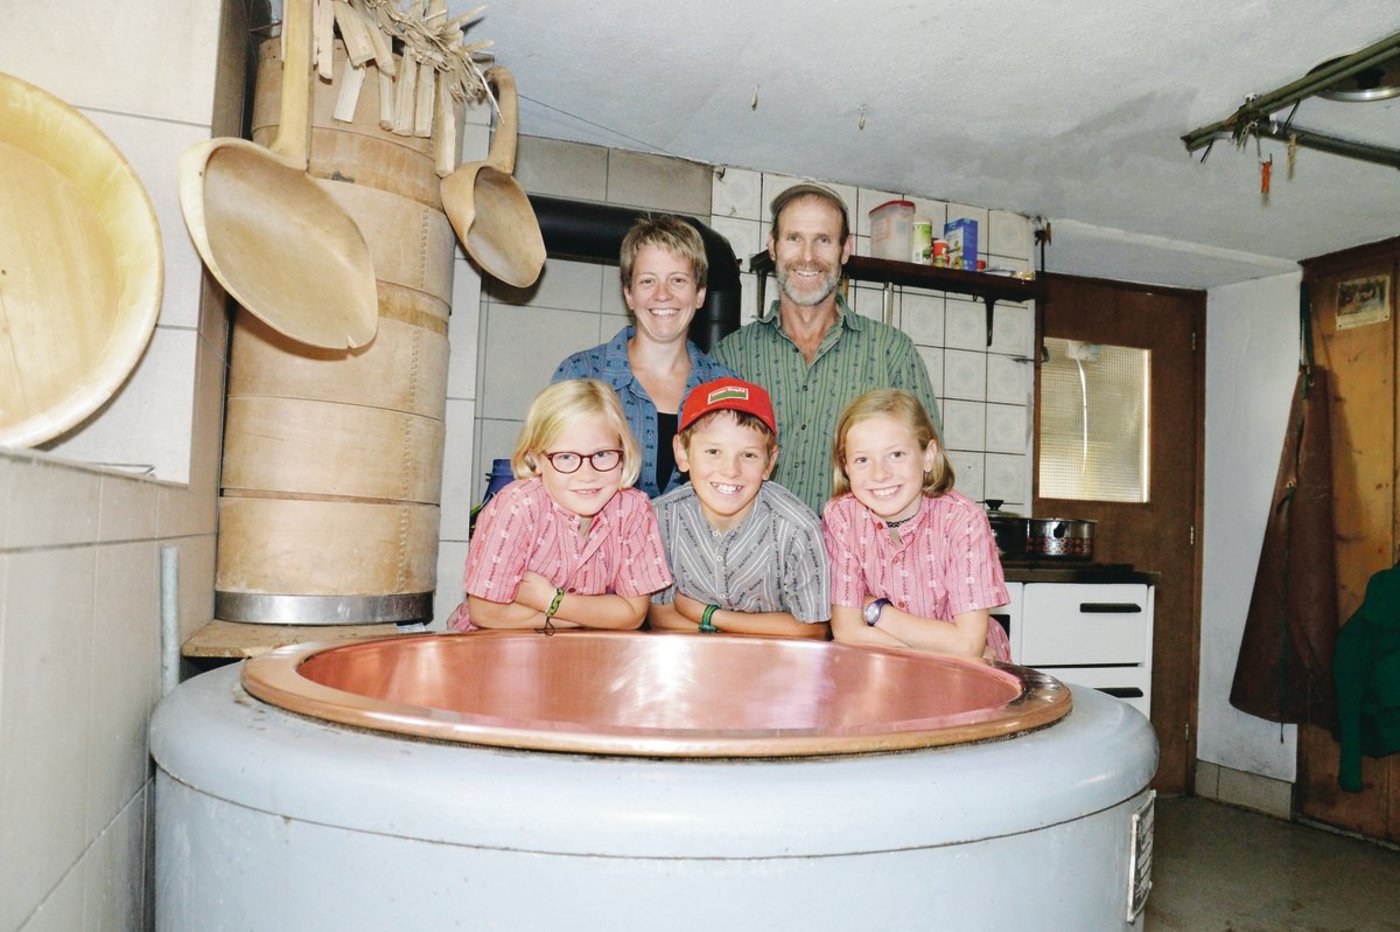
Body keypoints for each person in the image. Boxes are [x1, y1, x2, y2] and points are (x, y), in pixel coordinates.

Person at [713, 182, 941, 516]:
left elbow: (930, 475)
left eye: (823, 240)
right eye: (794, 239)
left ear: (845, 249)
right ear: (773, 247)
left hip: (861, 561)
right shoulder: (731, 357)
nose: (808, 256)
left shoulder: (892, 354)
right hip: (756, 561)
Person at [447, 379, 671, 632]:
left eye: (602, 454)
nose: (587, 474)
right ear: (536, 460)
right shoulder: (517, 507)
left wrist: (550, 600)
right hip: (496, 648)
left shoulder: (634, 509)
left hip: (585, 650)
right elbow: (486, 614)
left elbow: (632, 616)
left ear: (624, 452)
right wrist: (599, 613)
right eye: (565, 457)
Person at [552, 214, 736, 498]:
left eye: (678, 280)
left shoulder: (726, 389)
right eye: (648, 281)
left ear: (700, 294)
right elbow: (548, 486)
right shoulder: (582, 374)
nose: (663, 295)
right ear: (629, 294)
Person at [822, 389, 1011, 662]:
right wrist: (945, 650)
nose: (880, 474)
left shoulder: (963, 520)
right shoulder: (841, 517)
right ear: (846, 467)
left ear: (928, 455)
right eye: (862, 460)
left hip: (969, 679)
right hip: (887, 671)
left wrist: (874, 609)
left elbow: (968, 644)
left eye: (896, 454)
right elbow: (847, 632)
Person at [648, 377, 830, 639]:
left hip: (776, 670)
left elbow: (812, 629)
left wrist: (708, 615)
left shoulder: (798, 529)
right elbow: (661, 617)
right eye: (713, 452)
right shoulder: (660, 519)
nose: (730, 471)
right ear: (682, 453)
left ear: (770, 462)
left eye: (748, 455)